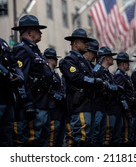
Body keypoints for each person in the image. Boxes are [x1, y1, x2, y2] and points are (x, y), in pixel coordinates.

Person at [11, 14, 53, 146]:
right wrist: (28, 103)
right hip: (33, 104)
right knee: (32, 142)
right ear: (29, 32)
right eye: (37, 30)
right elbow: (20, 78)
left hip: (43, 103)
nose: (40, 33)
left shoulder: (35, 51)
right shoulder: (22, 49)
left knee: (43, 142)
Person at [59, 28, 103, 146]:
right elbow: (76, 77)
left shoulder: (83, 60)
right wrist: (93, 81)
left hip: (88, 104)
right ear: (75, 43)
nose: (86, 45)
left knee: (87, 138)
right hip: (79, 105)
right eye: (84, 42)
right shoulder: (70, 59)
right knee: (80, 137)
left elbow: (91, 76)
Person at [91, 46, 122, 147]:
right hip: (98, 106)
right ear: (106, 58)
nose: (113, 59)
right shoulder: (98, 70)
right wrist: (115, 88)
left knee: (104, 136)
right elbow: (100, 86)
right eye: (111, 56)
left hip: (106, 107)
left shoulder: (108, 73)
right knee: (97, 135)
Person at [43, 47, 67, 147]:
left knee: (59, 140)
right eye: (54, 59)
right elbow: (47, 89)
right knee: (51, 139)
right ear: (48, 59)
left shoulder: (55, 75)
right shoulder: (45, 71)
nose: (56, 61)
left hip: (59, 109)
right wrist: (58, 96)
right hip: (52, 109)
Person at [114, 52, 136, 146]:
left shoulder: (125, 75)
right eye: (128, 63)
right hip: (125, 111)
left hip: (131, 109)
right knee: (126, 138)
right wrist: (126, 109)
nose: (129, 65)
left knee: (131, 136)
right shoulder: (119, 75)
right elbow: (120, 94)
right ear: (123, 64)